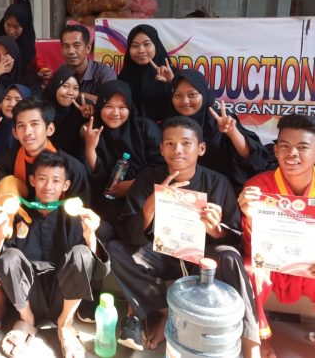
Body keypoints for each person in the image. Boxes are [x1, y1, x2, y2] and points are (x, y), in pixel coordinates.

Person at [108, 116, 260, 356]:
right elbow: (129, 233)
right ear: (161, 148)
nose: (177, 149)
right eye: (170, 143)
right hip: (160, 254)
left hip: (202, 259)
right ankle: (163, 311)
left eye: (186, 143)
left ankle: (252, 342)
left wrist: (216, 230)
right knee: (116, 249)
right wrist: (149, 208)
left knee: (230, 255)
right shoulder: (148, 179)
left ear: (201, 148)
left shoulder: (217, 182)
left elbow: (235, 238)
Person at [0, 152, 109, 357]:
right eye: (42, 178)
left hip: (63, 295)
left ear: (65, 185)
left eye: (56, 181)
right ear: (32, 180)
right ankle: (27, 320)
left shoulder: (74, 217)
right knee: (10, 256)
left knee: (82, 253)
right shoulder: (18, 213)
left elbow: (97, 271)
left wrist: (90, 235)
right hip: (26, 296)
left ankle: (65, 324)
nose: (48, 186)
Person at [239, 114, 315, 358]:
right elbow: (251, 248)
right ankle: (258, 340)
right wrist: (250, 216)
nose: (292, 154)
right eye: (285, 146)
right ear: (276, 149)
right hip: (272, 265)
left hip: (310, 267)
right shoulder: (258, 187)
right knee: (249, 270)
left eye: (302, 147)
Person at [0, 97, 90, 212]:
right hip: (16, 220)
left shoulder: (73, 168)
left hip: (59, 224)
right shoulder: (7, 160)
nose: (27, 132)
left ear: (50, 129)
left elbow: (82, 212)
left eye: (34, 124)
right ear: (15, 133)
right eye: (21, 126)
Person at [169, 69, 270, 194]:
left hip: (220, 191)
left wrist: (232, 132)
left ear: (204, 94)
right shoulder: (169, 123)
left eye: (192, 95)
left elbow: (254, 159)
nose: (185, 101)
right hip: (180, 192)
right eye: (178, 95)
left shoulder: (220, 119)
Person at [83, 80, 164, 235]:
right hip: (108, 203)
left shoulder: (145, 129)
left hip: (145, 200)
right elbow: (96, 178)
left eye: (122, 107)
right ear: (99, 107)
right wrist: (89, 148)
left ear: (130, 107)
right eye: (108, 106)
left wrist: (134, 185)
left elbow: (162, 168)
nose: (115, 113)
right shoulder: (94, 132)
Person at [118, 24, 178, 123]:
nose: (141, 50)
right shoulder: (124, 77)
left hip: (169, 129)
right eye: (135, 46)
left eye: (146, 44)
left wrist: (173, 82)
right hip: (133, 129)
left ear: (156, 45)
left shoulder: (174, 75)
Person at [60, 24, 116, 108]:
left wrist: (78, 95)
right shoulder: (62, 70)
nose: (71, 51)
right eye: (66, 46)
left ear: (88, 48)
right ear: (61, 50)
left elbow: (111, 103)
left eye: (77, 45)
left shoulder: (105, 72)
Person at [41, 66, 86, 159]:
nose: (71, 92)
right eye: (65, 86)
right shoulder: (39, 108)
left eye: (75, 88)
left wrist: (88, 117)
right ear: (55, 86)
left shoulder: (79, 111)